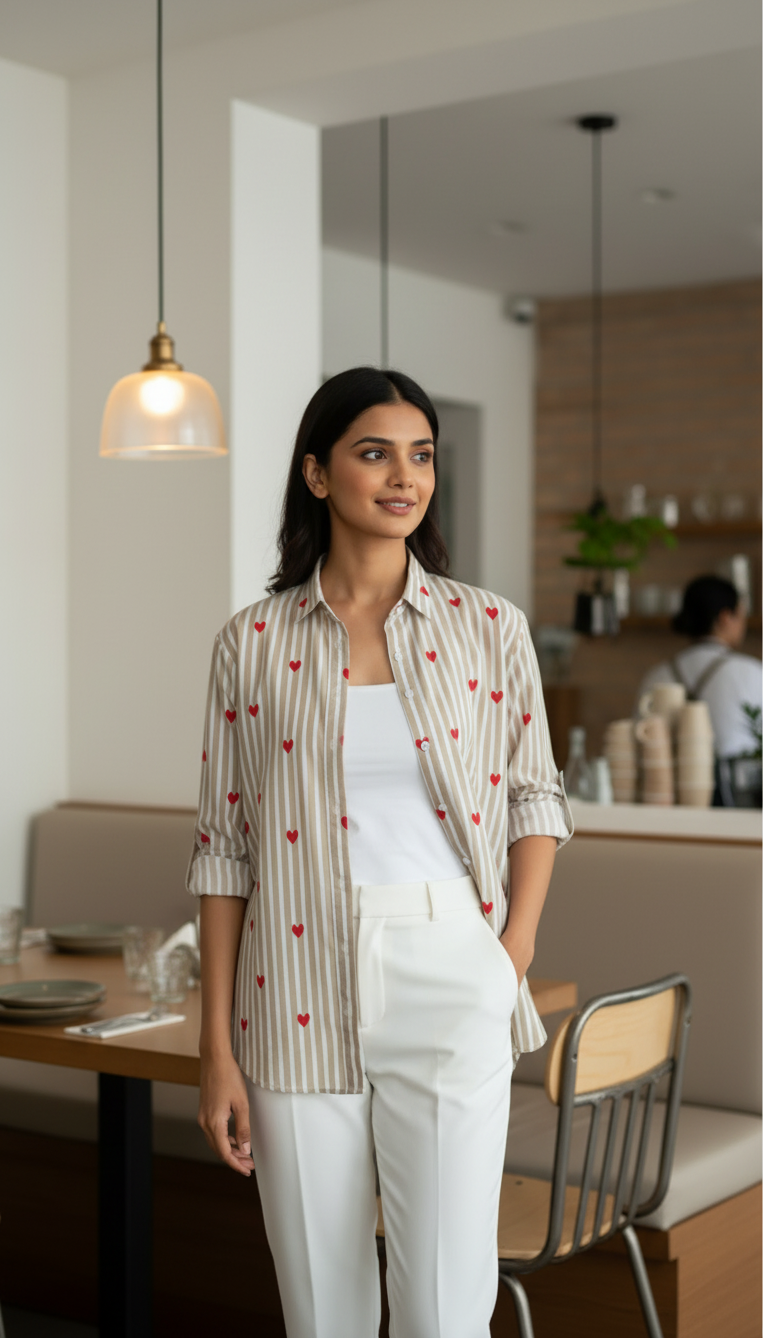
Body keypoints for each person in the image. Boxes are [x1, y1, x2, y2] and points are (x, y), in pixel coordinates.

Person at [187, 366, 573, 1338]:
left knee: (445, 1310)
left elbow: (536, 795)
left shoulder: (489, 629)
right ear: (318, 474)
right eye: (374, 453)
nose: (404, 477)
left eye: (421, 455)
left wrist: (510, 951)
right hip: (293, 980)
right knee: (323, 1313)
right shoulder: (252, 643)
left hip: (453, 964)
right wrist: (215, 1048)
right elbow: (226, 849)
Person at [636, 575, 761, 758]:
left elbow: (640, 741)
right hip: (741, 785)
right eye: (741, 615)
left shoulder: (655, 677)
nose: (744, 624)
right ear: (725, 617)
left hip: (665, 785)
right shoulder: (753, 672)